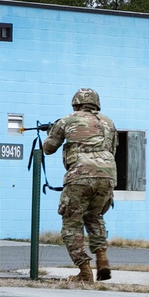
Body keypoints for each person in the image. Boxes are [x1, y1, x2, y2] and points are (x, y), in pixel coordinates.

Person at [43, 88, 118, 283]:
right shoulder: (108, 122)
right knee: (94, 216)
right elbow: (112, 149)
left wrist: (53, 131)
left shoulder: (67, 119)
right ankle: (102, 258)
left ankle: (85, 271)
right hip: (107, 175)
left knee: (72, 223)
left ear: (75, 104)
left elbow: (48, 148)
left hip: (80, 176)